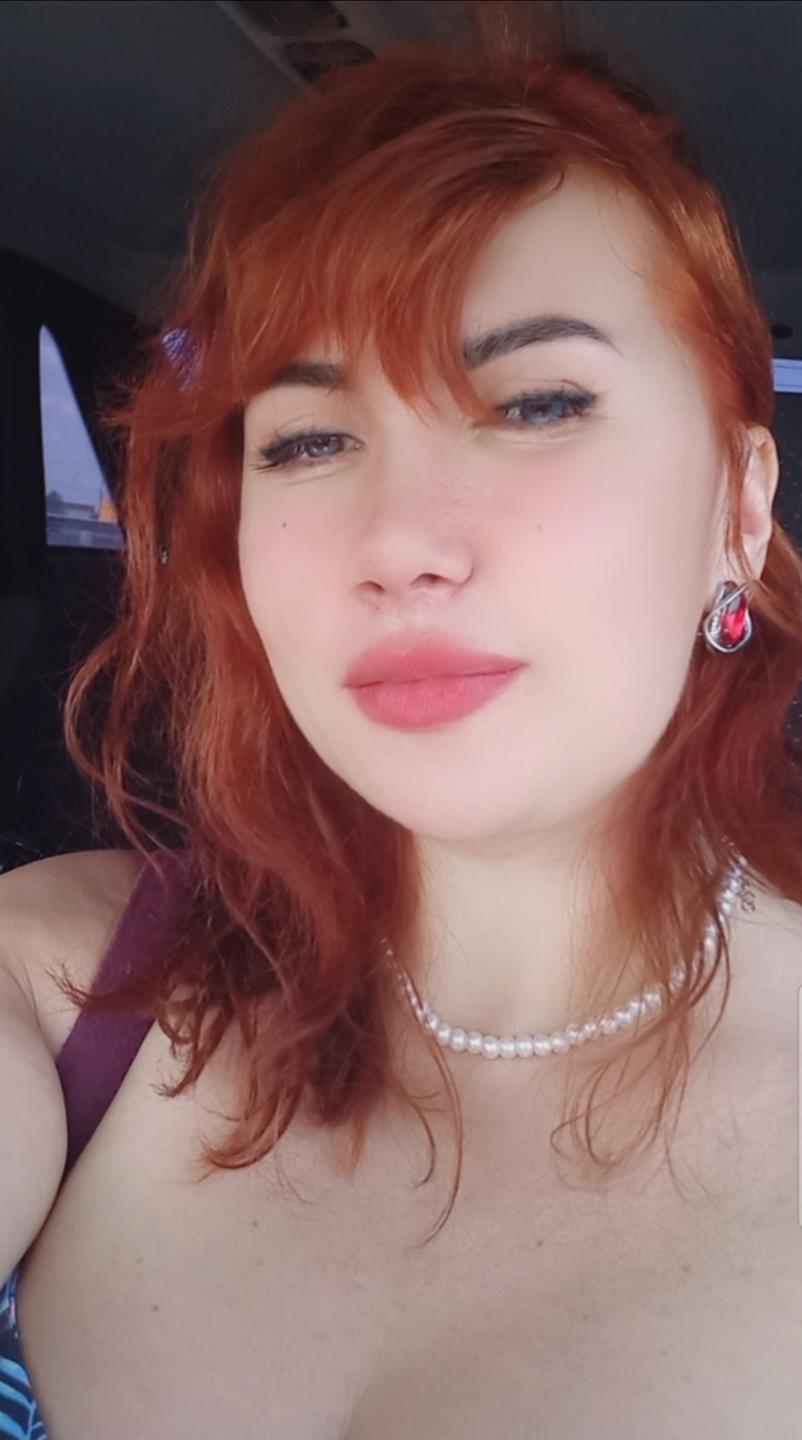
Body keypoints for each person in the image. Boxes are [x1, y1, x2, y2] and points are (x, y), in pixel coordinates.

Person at [2, 5, 802, 1436]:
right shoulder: (73, 993)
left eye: (536, 403)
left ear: (739, 511)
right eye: (309, 439)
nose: (399, 544)